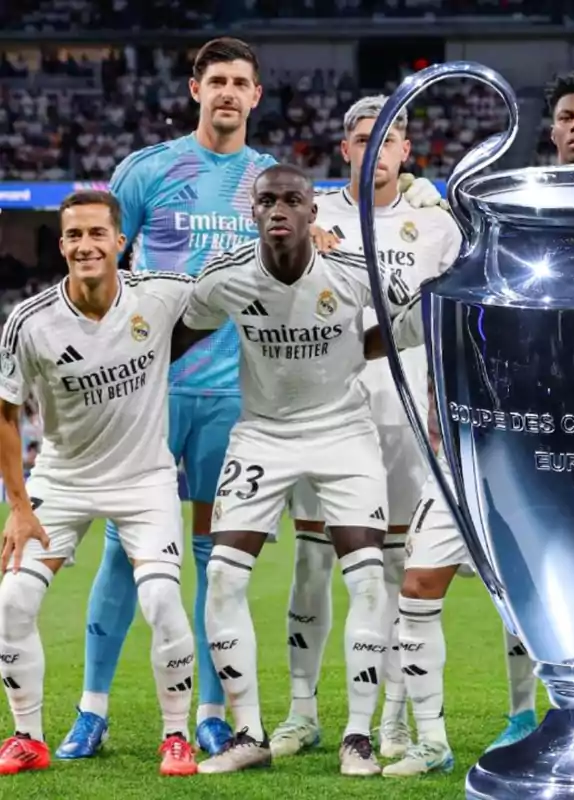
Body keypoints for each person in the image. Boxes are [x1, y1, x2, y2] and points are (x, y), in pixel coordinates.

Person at [63, 36, 445, 761]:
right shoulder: (147, 170)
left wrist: (413, 194)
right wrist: (113, 365)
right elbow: (110, 265)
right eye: (217, 81)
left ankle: (216, 713)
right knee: (123, 550)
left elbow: (351, 235)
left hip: (235, 401)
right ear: (195, 89)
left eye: (242, 81)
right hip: (154, 394)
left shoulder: (271, 178)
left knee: (215, 555)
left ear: (258, 95)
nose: (229, 92)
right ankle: (92, 708)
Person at [381, 70, 574, 778]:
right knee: (421, 584)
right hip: (485, 440)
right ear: (550, 132)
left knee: (553, 595)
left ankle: (555, 719)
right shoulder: (512, 214)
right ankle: (434, 737)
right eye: (567, 117)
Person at [179, 165, 412, 776]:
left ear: (314, 213)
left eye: (291, 200)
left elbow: (406, 323)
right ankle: (248, 732)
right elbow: (179, 331)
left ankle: (356, 737)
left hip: (344, 434)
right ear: (251, 211)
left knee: (365, 581)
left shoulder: (353, 271)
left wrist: (351, 354)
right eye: (266, 200)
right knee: (224, 579)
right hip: (260, 437)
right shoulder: (226, 278)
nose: (278, 209)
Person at [269, 96, 460, 762]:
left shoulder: (437, 228)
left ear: (406, 152)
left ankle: (396, 725)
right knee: (313, 563)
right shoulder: (311, 216)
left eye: (389, 139)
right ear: (344, 148)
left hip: (403, 424)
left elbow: (454, 328)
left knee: (398, 573)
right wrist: (299, 253)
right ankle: (302, 714)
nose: (374, 148)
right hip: (324, 417)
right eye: (361, 137)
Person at [0, 191, 200, 776]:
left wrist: (311, 245)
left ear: (120, 242)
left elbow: (227, 281)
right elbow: (5, 412)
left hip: (144, 480)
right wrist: (19, 505)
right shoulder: (28, 322)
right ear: (61, 245)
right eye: (73, 236)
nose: (85, 245)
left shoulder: (159, 294)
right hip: (61, 481)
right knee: (11, 602)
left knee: (162, 599)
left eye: (96, 234)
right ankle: (27, 736)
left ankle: (176, 735)